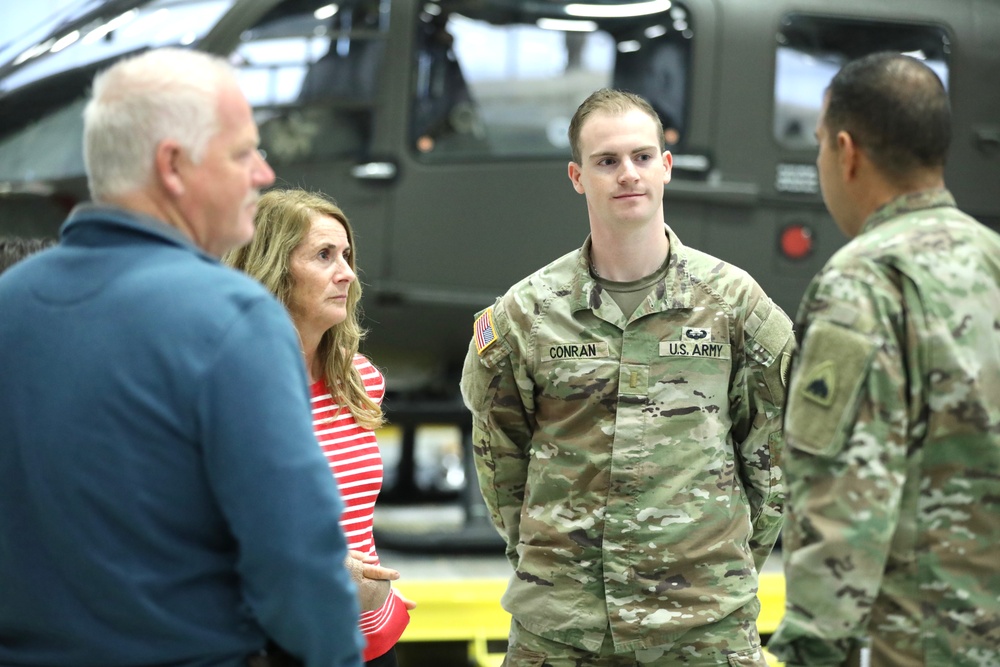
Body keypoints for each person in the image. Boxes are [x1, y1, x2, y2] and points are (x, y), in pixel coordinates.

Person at [0, 48, 364, 667]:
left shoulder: (11, 303)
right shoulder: (232, 318)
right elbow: (296, 557)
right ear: (173, 166)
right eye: (242, 152)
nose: (262, 174)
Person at [460, 88, 794, 666]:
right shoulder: (528, 312)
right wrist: (547, 563)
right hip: (563, 631)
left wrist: (720, 564)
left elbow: (773, 451)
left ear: (666, 166)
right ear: (577, 176)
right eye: (606, 161)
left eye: (642, 157)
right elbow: (499, 455)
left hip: (702, 626)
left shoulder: (734, 304)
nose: (627, 175)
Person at [767, 52, 1000, 667]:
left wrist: (814, 650)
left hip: (928, 641)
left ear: (846, 152)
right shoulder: (992, 259)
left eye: (818, 145)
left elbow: (844, 491)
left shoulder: (863, 284)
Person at [225, 188, 415, 666]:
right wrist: (328, 571)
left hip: (368, 639)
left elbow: (352, 519)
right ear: (273, 270)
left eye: (347, 255)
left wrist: (375, 594)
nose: (347, 273)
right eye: (324, 255)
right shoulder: (229, 385)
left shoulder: (359, 378)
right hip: (273, 640)